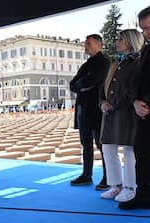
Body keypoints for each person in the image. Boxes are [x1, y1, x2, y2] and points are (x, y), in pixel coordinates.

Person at [99, 29, 143, 202]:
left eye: (121, 39)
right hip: (109, 113)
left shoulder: (137, 62)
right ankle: (115, 186)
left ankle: (131, 188)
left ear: (131, 41)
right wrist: (102, 102)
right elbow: (103, 87)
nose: (117, 42)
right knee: (108, 148)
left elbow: (133, 88)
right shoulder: (114, 62)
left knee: (128, 150)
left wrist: (114, 104)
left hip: (127, 113)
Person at [119, 6, 150, 210]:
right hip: (143, 113)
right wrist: (135, 102)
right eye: (143, 29)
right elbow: (134, 82)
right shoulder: (146, 50)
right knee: (143, 155)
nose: (146, 33)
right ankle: (144, 195)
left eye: (148, 28)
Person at [69, 34, 110, 190]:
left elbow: (93, 81)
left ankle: (108, 177)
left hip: (95, 109)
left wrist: (82, 85)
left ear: (98, 45)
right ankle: (87, 175)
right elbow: (73, 84)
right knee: (85, 144)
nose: (85, 46)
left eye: (88, 43)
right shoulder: (86, 65)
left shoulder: (104, 63)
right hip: (82, 108)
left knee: (102, 145)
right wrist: (82, 85)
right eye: (85, 43)